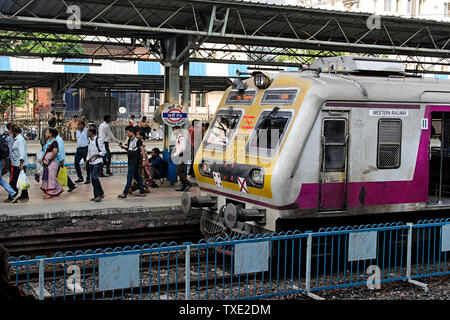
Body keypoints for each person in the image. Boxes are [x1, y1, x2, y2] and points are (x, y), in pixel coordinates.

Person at [117, 125, 146, 199]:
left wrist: (143, 160)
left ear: (131, 132)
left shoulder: (138, 141)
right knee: (137, 177)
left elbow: (142, 151)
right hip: (130, 161)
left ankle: (125, 192)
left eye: (127, 132)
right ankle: (142, 191)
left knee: (129, 177)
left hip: (134, 162)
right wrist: (123, 147)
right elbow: (130, 149)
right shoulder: (130, 140)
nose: (126, 134)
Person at [40, 128, 64, 199]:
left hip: (52, 162)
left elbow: (55, 152)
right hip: (48, 162)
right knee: (50, 176)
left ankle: (50, 193)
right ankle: (58, 189)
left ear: (51, 134)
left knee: (51, 177)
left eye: (47, 132)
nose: (45, 134)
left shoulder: (54, 142)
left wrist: (49, 159)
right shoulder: (49, 141)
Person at [8, 125, 29, 202]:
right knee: (20, 179)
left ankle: (13, 195)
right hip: (17, 163)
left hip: (18, 164)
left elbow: (22, 152)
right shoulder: (18, 139)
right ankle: (24, 195)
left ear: (14, 132)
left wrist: (21, 164)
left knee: (14, 180)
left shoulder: (19, 140)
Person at [86, 128, 106, 202]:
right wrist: (86, 161)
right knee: (93, 179)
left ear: (92, 133)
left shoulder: (99, 140)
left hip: (98, 161)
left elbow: (103, 152)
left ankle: (99, 194)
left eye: (88, 132)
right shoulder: (90, 141)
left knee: (94, 177)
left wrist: (94, 155)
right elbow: (89, 152)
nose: (87, 133)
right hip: (91, 162)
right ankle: (97, 194)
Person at [171, 126, 192, 192]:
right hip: (181, 156)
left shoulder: (181, 138)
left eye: (174, 130)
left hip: (182, 156)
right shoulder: (178, 137)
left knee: (179, 171)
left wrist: (174, 154)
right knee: (181, 171)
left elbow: (183, 148)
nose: (174, 131)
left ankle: (188, 183)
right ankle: (184, 186)